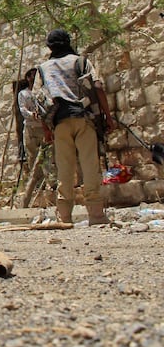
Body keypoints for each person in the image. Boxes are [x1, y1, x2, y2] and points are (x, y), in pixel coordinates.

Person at [35, 29, 115, 225]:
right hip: (83, 118)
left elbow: (37, 100)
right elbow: (97, 87)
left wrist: (46, 129)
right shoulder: (80, 62)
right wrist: (108, 116)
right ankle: (96, 215)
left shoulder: (43, 68)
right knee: (89, 166)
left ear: (49, 47)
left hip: (59, 122)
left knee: (64, 169)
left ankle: (64, 217)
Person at [17, 68, 46, 170]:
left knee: (46, 154)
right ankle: (38, 182)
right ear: (28, 78)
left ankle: (51, 181)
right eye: (33, 75)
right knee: (32, 155)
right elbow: (23, 109)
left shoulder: (42, 92)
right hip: (30, 127)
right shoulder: (23, 94)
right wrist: (31, 114)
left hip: (42, 126)